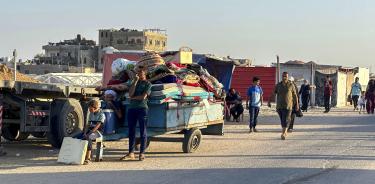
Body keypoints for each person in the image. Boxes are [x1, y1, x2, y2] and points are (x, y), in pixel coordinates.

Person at [120, 66, 151, 161]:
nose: (139, 74)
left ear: (144, 74)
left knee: (143, 131)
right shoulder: (134, 83)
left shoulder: (148, 84)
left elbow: (143, 97)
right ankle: (131, 153)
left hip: (142, 108)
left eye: (141, 73)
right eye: (138, 73)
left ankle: (142, 153)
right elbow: (130, 94)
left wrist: (133, 98)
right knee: (131, 131)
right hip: (132, 109)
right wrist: (135, 81)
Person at [268, 72, 299, 140]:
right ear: (282, 77)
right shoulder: (278, 85)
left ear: (288, 77)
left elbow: (295, 95)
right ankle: (285, 130)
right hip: (279, 106)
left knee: (285, 119)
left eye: (286, 76)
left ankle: (284, 133)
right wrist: (269, 101)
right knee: (282, 120)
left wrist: (297, 104)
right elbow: (273, 93)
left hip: (288, 106)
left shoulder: (291, 85)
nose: (284, 77)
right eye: (283, 76)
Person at [81, 99, 106, 165]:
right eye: (89, 109)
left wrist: (88, 134)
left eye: (91, 109)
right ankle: (81, 155)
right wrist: (84, 132)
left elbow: (97, 127)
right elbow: (88, 125)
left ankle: (88, 157)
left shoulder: (101, 115)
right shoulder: (91, 113)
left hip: (98, 132)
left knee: (88, 138)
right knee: (79, 136)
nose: (90, 110)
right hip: (91, 131)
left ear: (96, 108)